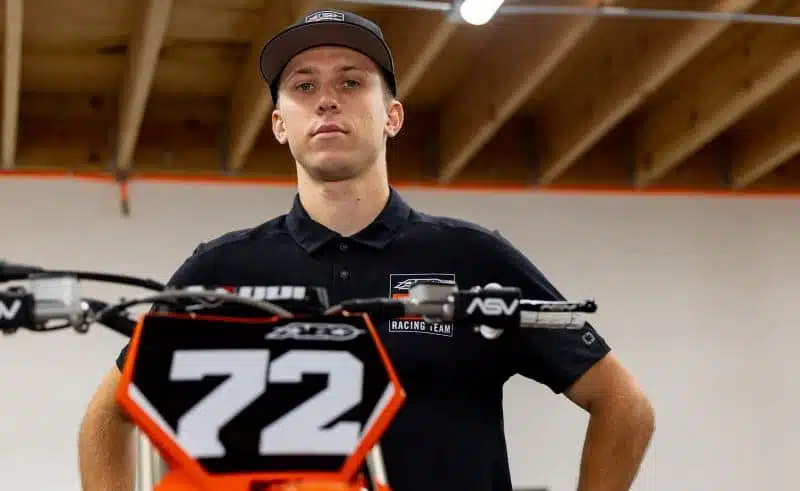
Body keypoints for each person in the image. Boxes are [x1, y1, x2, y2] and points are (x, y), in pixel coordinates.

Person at [77, 9, 655, 491]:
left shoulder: (475, 260)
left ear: (392, 116)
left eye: (351, 82)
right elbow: (107, 418)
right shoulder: (221, 271)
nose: (327, 100)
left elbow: (623, 406)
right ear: (279, 124)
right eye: (304, 86)